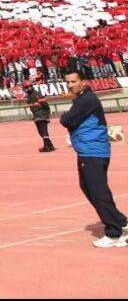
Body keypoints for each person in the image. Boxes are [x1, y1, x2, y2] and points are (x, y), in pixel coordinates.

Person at [59, 72, 127, 248]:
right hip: (89, 150)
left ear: (83, 82)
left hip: (93, 151)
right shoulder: (82, 99)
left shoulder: (86, 100)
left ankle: (114, 233)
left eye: (73, 82)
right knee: (88, 187)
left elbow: (67, 120)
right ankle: (121, 221)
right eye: (68, 82)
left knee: (97, 191)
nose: (70, 85)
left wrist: (64, 116)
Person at [23, 80, 55, 152]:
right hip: (36, 115)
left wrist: (47, 113)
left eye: (30, 86)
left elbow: (45, 104)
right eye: (27, 87)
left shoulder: (36, 93)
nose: (28, 88)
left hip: (41, 114)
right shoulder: (29, 96)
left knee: (43, 130)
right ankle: (50, 146)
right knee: (41, 131)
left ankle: (47, 146)